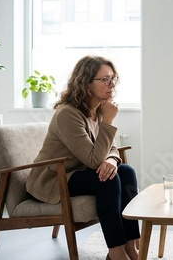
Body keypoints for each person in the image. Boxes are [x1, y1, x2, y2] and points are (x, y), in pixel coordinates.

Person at [26, 55, 140, 260]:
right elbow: (95, 160)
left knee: (126, 171)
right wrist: (110, 122)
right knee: (108, 178)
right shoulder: (67, 114)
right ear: (86, 83)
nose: (112, 84)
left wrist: (113, 160)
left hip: (79, 171)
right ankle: (116, 252)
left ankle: (131, 247)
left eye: (113, 78)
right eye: (104, 79)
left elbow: (110, 149)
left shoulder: (99, 110)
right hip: (54, 179)